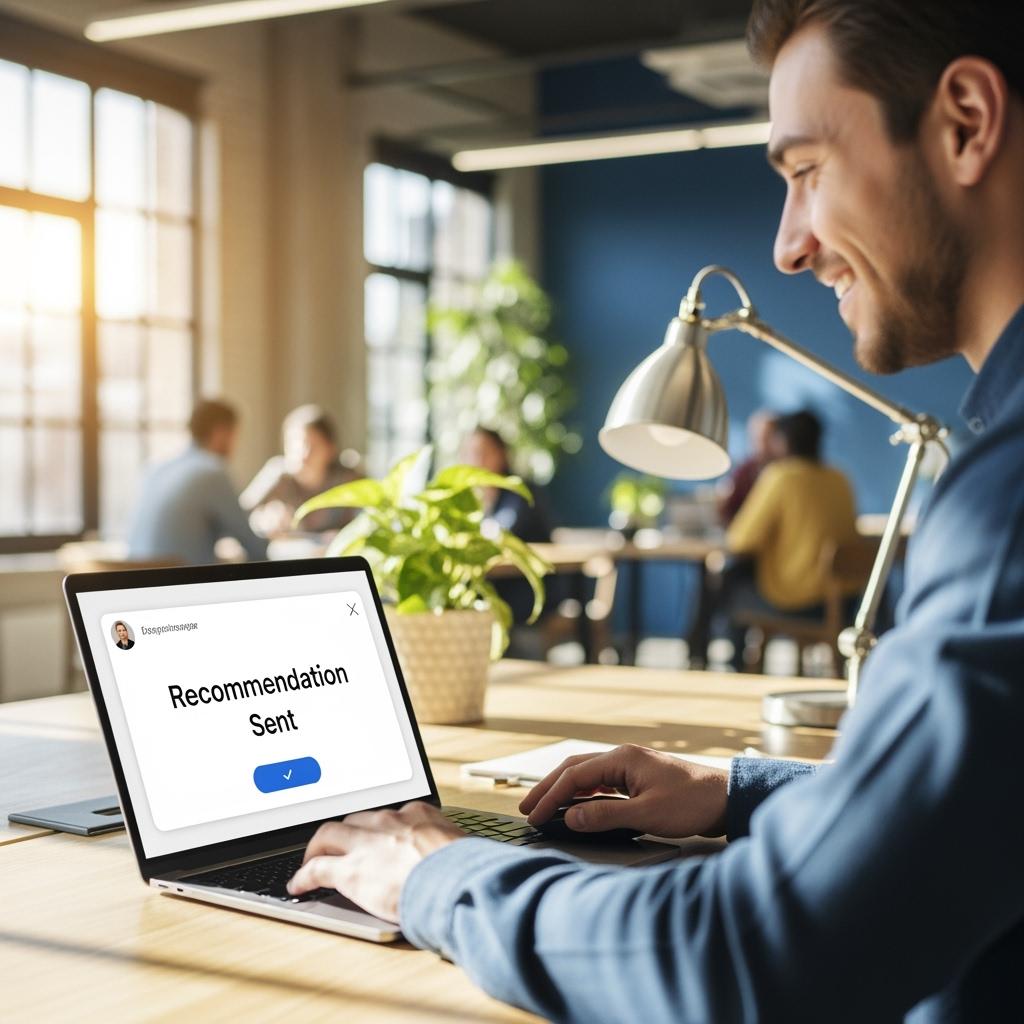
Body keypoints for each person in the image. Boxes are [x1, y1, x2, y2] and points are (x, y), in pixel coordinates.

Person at [286, 3, 1024, 1020]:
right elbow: (969, 832)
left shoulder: (1008, 498)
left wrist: (433, 875)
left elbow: (751, 953)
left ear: (967, 121)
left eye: (804, 169)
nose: (787, 247)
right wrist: (736, 791)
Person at [715, 409, 858, 666]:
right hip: (846, 601)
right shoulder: (840, 477)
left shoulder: (781, 476)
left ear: (781, 442)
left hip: (798, 601)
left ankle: (733, 668)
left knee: (728, 582)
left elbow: (739, 540)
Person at [127, 399, 267, 566]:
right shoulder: (213, 471)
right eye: (235, 435)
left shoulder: (155, 469)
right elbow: (253, 547)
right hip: (179, 584)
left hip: (136, 580)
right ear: (221, 433)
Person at [461, 427, 553, 625]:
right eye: (471, 454)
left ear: (502, 454)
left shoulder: (520, 491)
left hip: (526, 592)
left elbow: (503, 535)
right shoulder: (476, 501)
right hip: (496, 589)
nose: (477, 461)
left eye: (483, 453)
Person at [241, 404, 362, 536]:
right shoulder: (278, 474)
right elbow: (240, 514)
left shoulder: (348, 480)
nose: (302, 454)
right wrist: (262, 519)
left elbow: (369, 521)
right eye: (294, 445)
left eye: (312, 446)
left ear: (330, 448)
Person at [716, 408, 778, 524]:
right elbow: (727, 506)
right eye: (757, 437)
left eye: (766, 437)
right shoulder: (744, 471)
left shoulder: (786, 471)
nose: (760, 443)